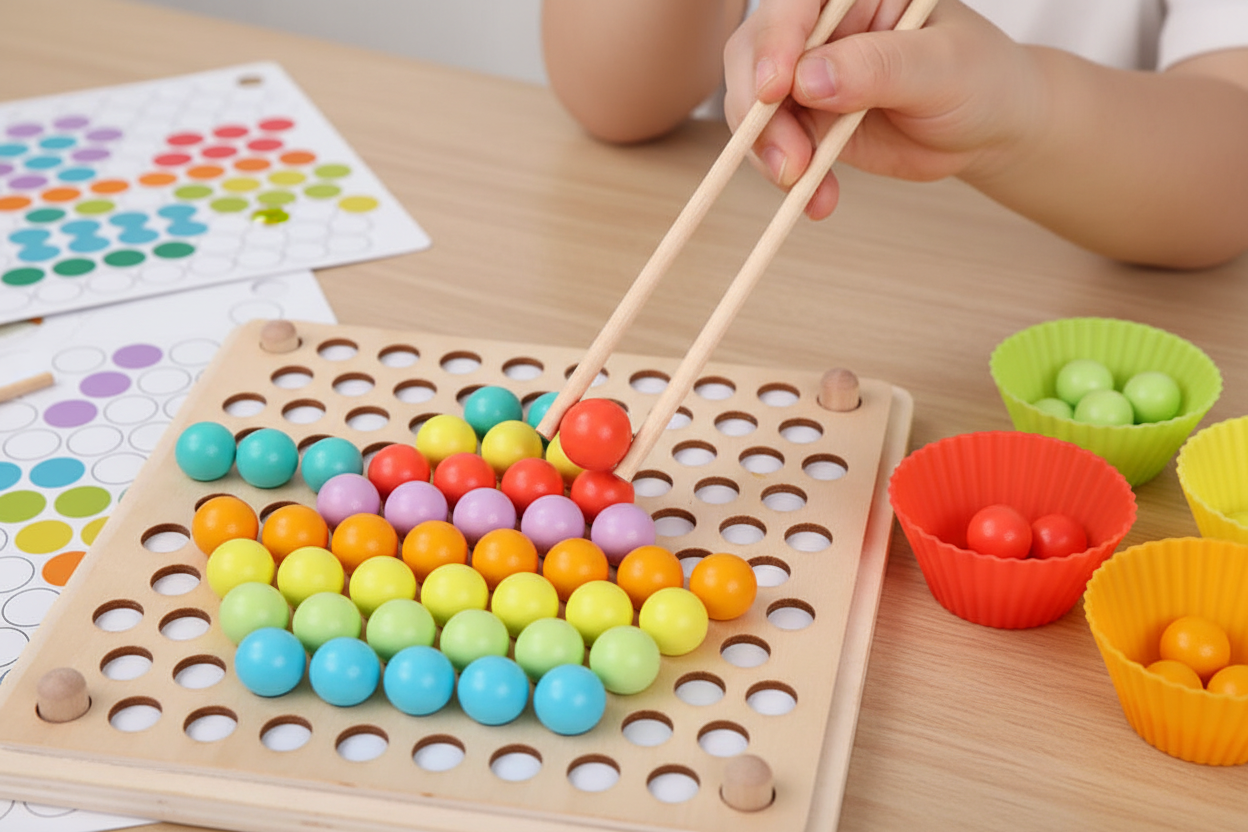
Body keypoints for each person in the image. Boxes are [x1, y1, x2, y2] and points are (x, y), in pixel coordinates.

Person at [541, 1, 1248, 270]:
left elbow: (1231, 164)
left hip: (1041, 292)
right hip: (755, 281)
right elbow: (610, 94)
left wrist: (1019, 118)